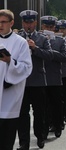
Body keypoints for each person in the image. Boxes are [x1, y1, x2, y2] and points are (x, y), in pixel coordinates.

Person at [17, 10, 54, 150]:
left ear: (35, 23)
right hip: (22, 81)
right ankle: (24, 142)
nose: (28, 25)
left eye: (31, 22)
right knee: (22, 114)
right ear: (22, 23)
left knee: (39, 112)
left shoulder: (43, 38)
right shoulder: (17, 37)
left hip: (38, 81)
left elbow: (50, 55)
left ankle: (40, 136)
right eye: (26, 22)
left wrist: (35, 48)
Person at [0, 9, 32, 150]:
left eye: (3, 22)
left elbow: (26, 67)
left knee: (7, 138)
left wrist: (9, 61)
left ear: (11, 23)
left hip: (10, 96)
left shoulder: (21, 43)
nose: (0, 25)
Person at [40, 16, 66, 138]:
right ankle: (43, 130)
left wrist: (50, 53)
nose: (49, 29)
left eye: (51, 27)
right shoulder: (37, 39)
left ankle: (57, 126)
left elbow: (65, 57)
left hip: (55, 77)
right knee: (42, 107)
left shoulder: (60, 41)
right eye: (46, 27)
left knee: (56, 104)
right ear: (42, 27)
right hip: (40, 78)